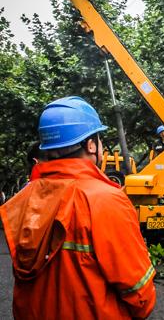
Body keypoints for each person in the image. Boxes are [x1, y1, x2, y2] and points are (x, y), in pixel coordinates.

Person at [0, 96, 156, 319]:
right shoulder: (106, 200)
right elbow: (138, 291)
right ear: (91, 144)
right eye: (99, 140)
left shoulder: (23, 199)